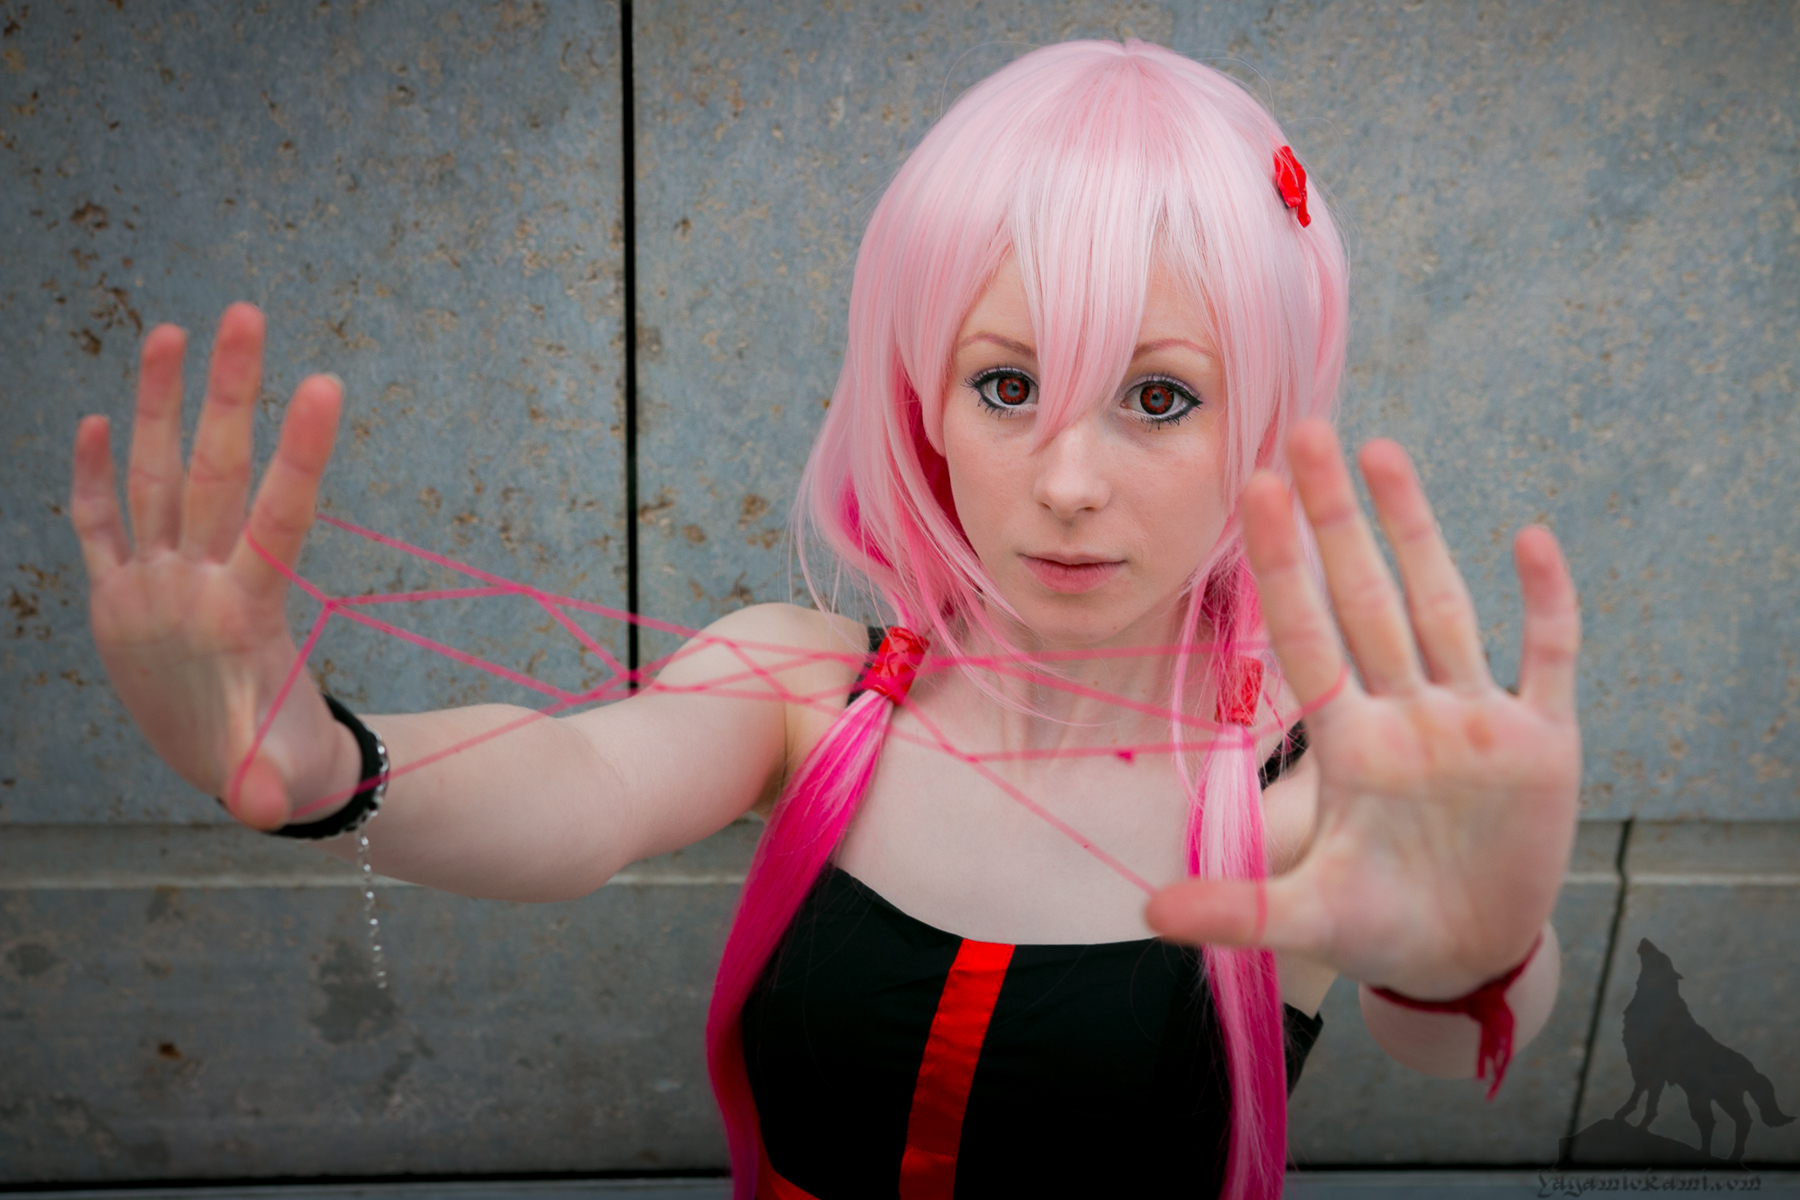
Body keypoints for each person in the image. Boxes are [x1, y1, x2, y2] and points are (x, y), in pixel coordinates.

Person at [67, 38, 1580, 1200]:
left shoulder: (1309, 785)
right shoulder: (808, 687)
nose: (1067, 482)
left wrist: (1476, 951)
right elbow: (580, 787)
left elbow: (1443, 1036)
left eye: (1160, 397)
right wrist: (323, 766)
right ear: (924, 399)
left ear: (1266, 416)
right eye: (1007, 384)